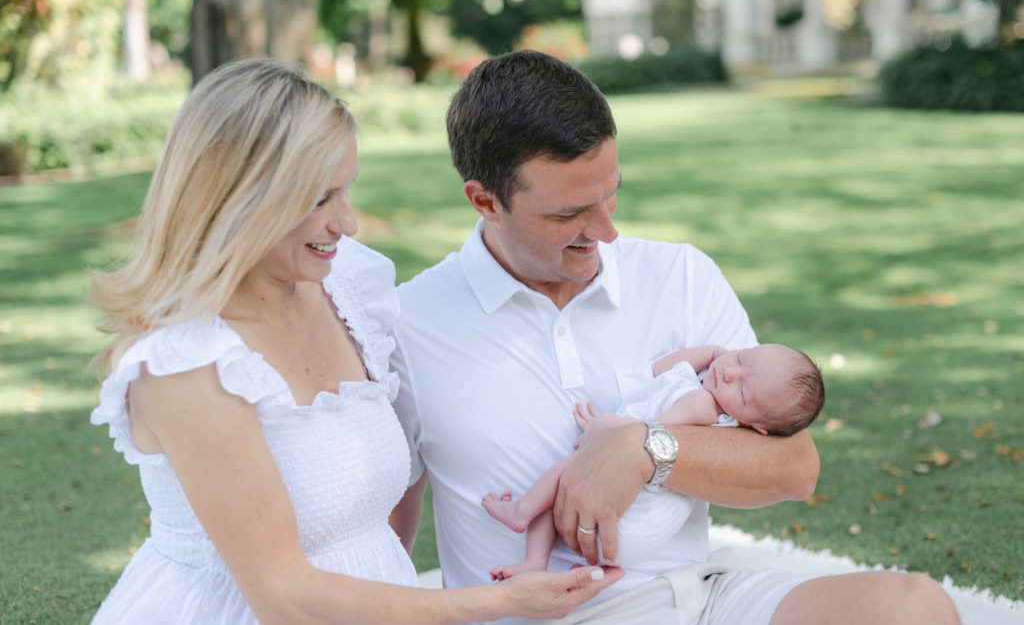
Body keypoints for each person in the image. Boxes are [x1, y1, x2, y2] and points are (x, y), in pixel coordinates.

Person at [389, 50, 960, 624]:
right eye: (570, 215)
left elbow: (794, 468)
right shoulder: (406, 322)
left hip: (698, 600)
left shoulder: (682, 275)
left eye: (610, 194)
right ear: (485, 201)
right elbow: (382, 528)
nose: (606, 231)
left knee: (913, 608)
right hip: (539, 616)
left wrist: (647, 449)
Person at [87, 57, 623, 624]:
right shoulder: (186, 365)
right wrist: (502, 602)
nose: (348, 222)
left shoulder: (347, 288)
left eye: (347, 191)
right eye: (319, 199)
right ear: (235, 201)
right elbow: (285, 598)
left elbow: (386, 506)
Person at [481, 343, 825, 580]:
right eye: (740, 357)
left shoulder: (702, 405)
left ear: (758, 426)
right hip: (632, 530)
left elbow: (651, 434)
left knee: (564, 473)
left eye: (744, 392)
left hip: (634, 513)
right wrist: (714, 353)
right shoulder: (699, 383)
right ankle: (537, 563)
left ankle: (521, 512)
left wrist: (603, 425)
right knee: (565, 486)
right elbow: (663, 368)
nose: (731, 373)